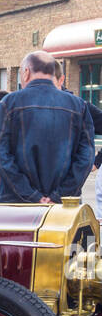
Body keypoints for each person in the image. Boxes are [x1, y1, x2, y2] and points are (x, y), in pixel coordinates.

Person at [0, 51, 95, 204]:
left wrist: (32, 196)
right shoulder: (78, 105)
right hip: (64, 207)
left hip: (18, 205)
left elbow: (2, 157)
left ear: (26, 72)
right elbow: (86, 158)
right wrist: (60, 196)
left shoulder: (9, 103)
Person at [55, 60, 102, 221]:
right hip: (38, 194)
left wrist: (98, 159)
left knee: (77, 236)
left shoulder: (79, 106)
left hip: (69, 191)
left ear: (60, 81)